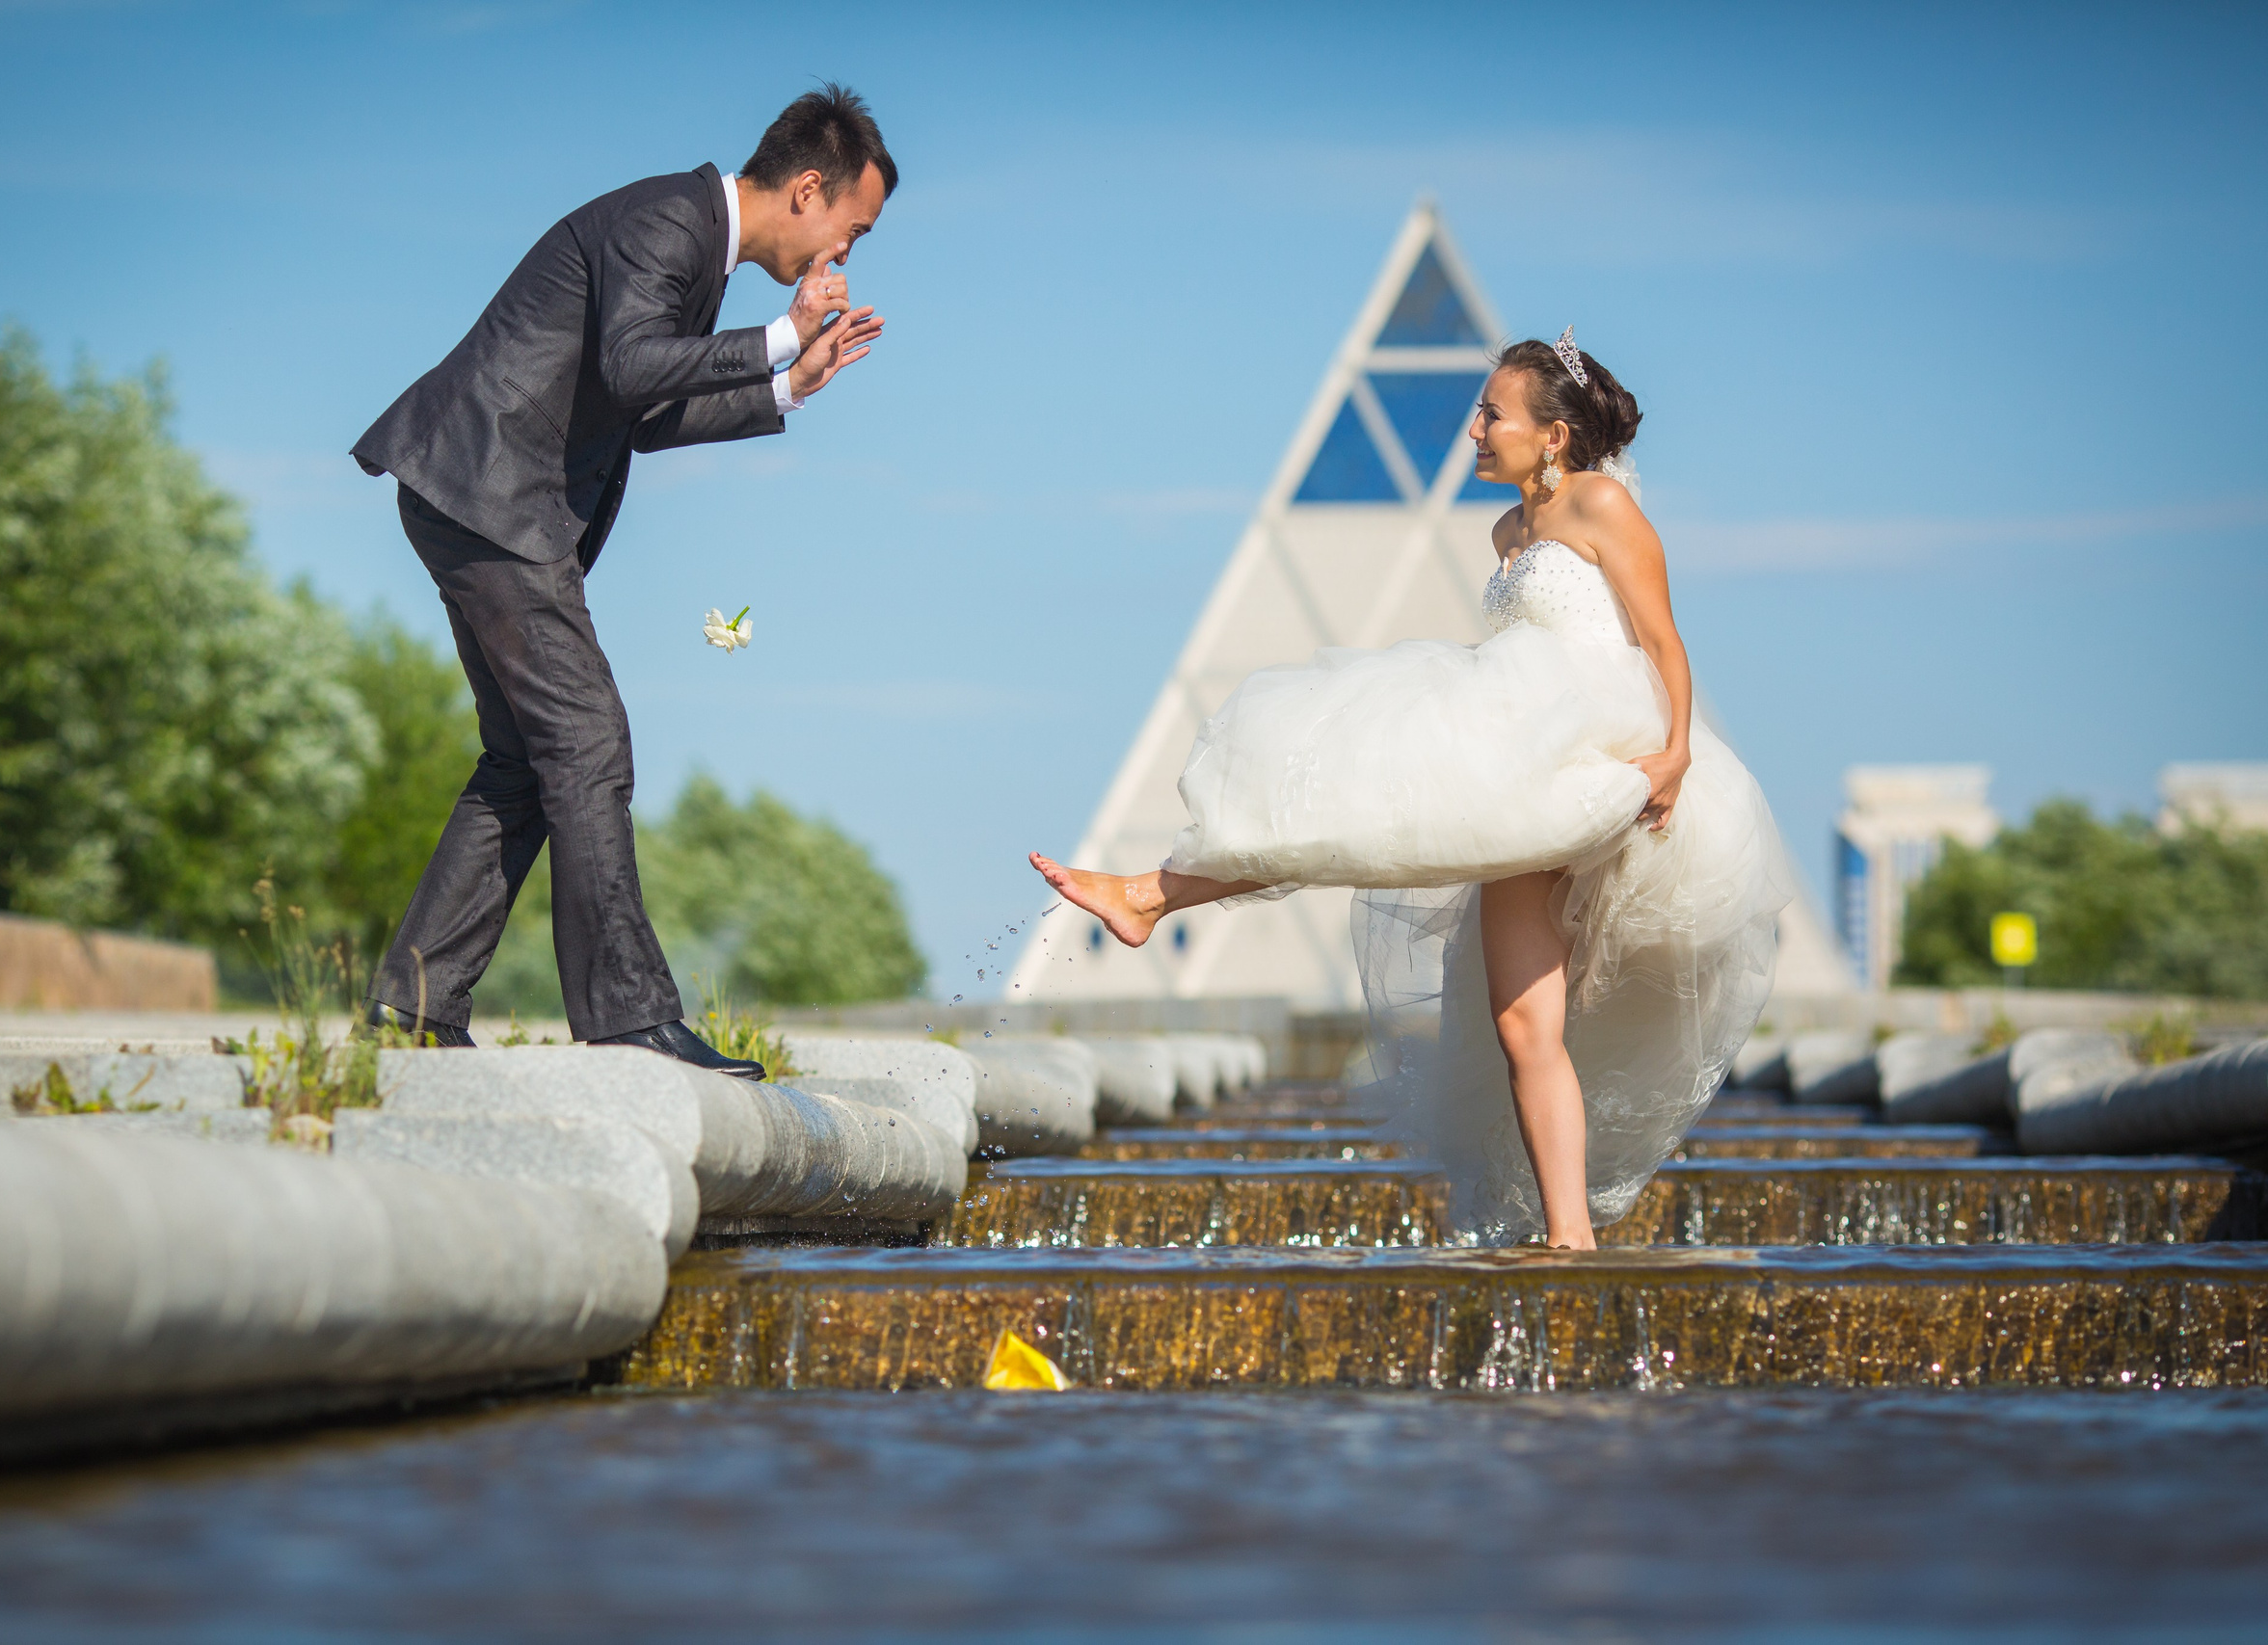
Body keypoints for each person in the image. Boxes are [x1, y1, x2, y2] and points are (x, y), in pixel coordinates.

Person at [1033, 331, 1795, 1244]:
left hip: (1610, 758)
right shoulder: (1508, 529)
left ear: (1552, 435)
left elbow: (1664, 642)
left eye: (1492, 414)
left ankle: (1152, 894)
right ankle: (1570, 1238)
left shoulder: (1601, 504)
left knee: (1377, 802)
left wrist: (1672, 753)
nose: (1474, 428)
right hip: (1526, 771)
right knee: (1520, 1023)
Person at [351, 87, 894, 1075]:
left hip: (480, 494)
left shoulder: (693, 243)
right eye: (849, 235)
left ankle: (411, 1010)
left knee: (526, 758)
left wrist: (785, 386)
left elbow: (638, 410)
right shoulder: (667, 224)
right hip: (488, 491)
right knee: (588, 737)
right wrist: (779, 334)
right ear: (808, 190)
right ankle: (628, 1020)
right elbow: (641, 366)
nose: (840, 262)